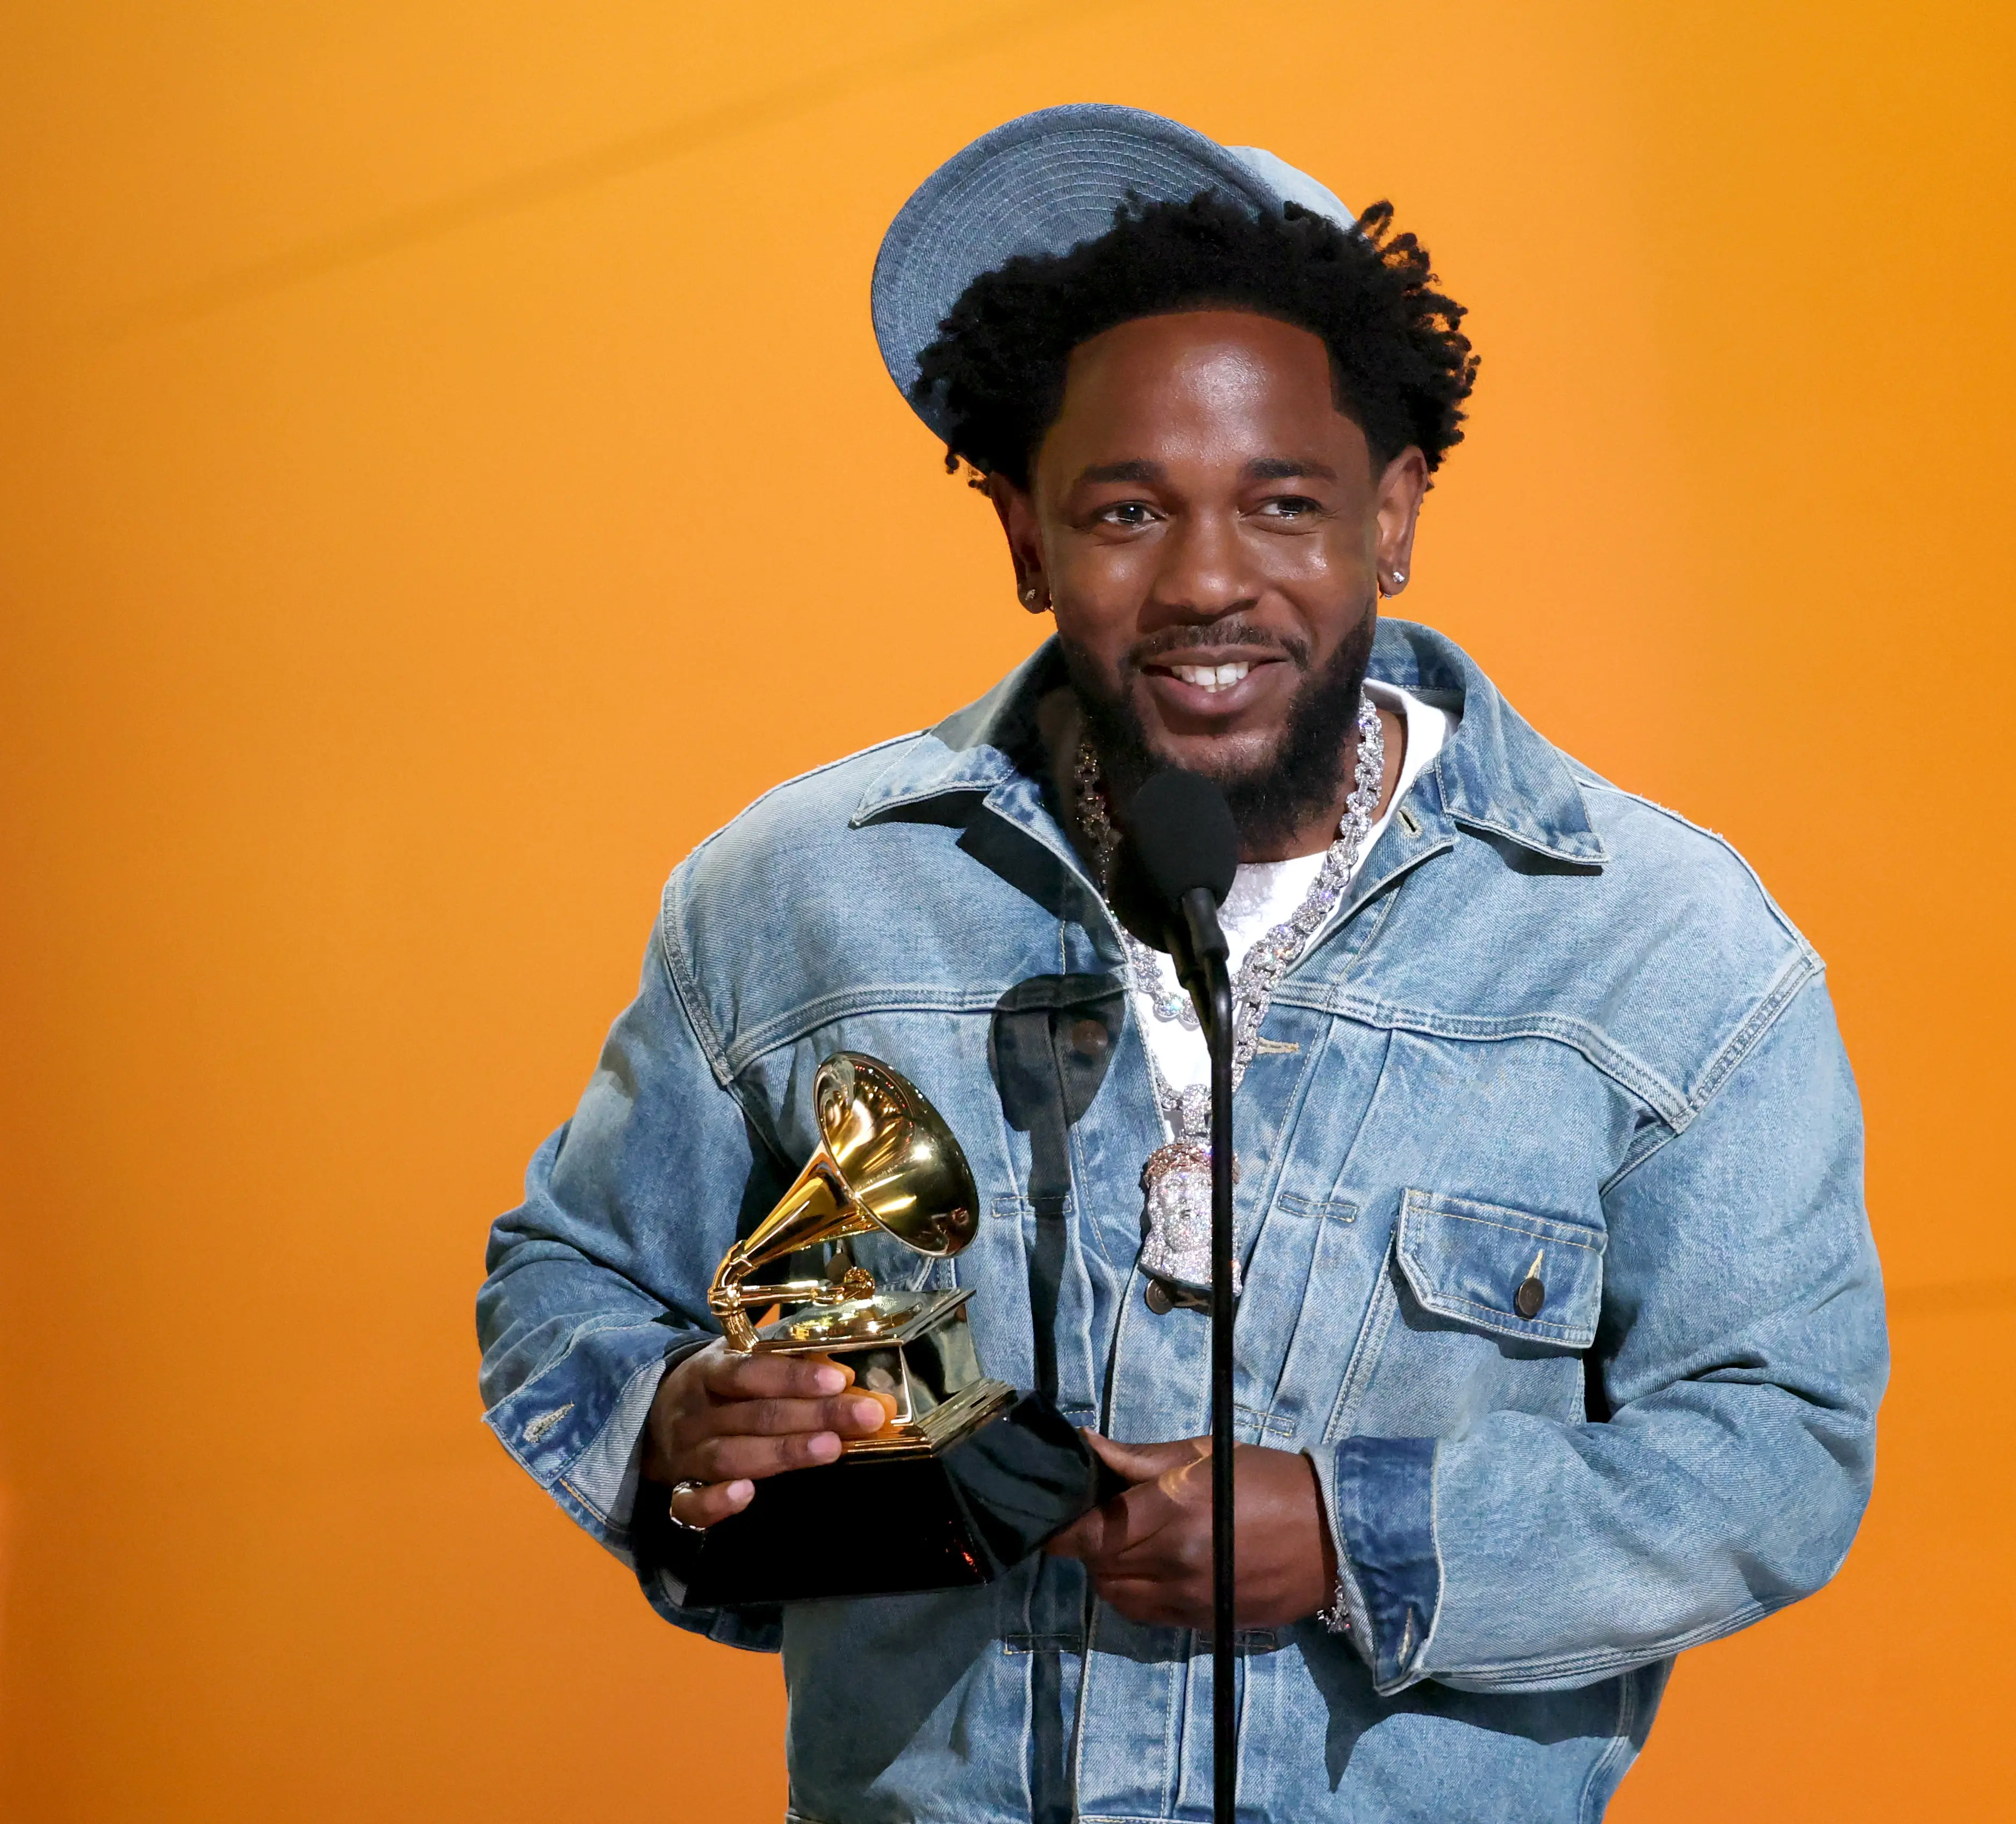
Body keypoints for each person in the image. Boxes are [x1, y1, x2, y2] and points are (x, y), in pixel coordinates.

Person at [478, 103, 1887, 1824]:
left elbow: (1779, 1446)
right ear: (1025, 537)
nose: (1208, 582)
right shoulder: (793, 896)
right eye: (1129, 510)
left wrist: (1359, 1538)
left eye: (1284, 504)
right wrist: (673, 1421)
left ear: (1393, 514)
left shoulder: (1665, 946)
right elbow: (566, 1282)